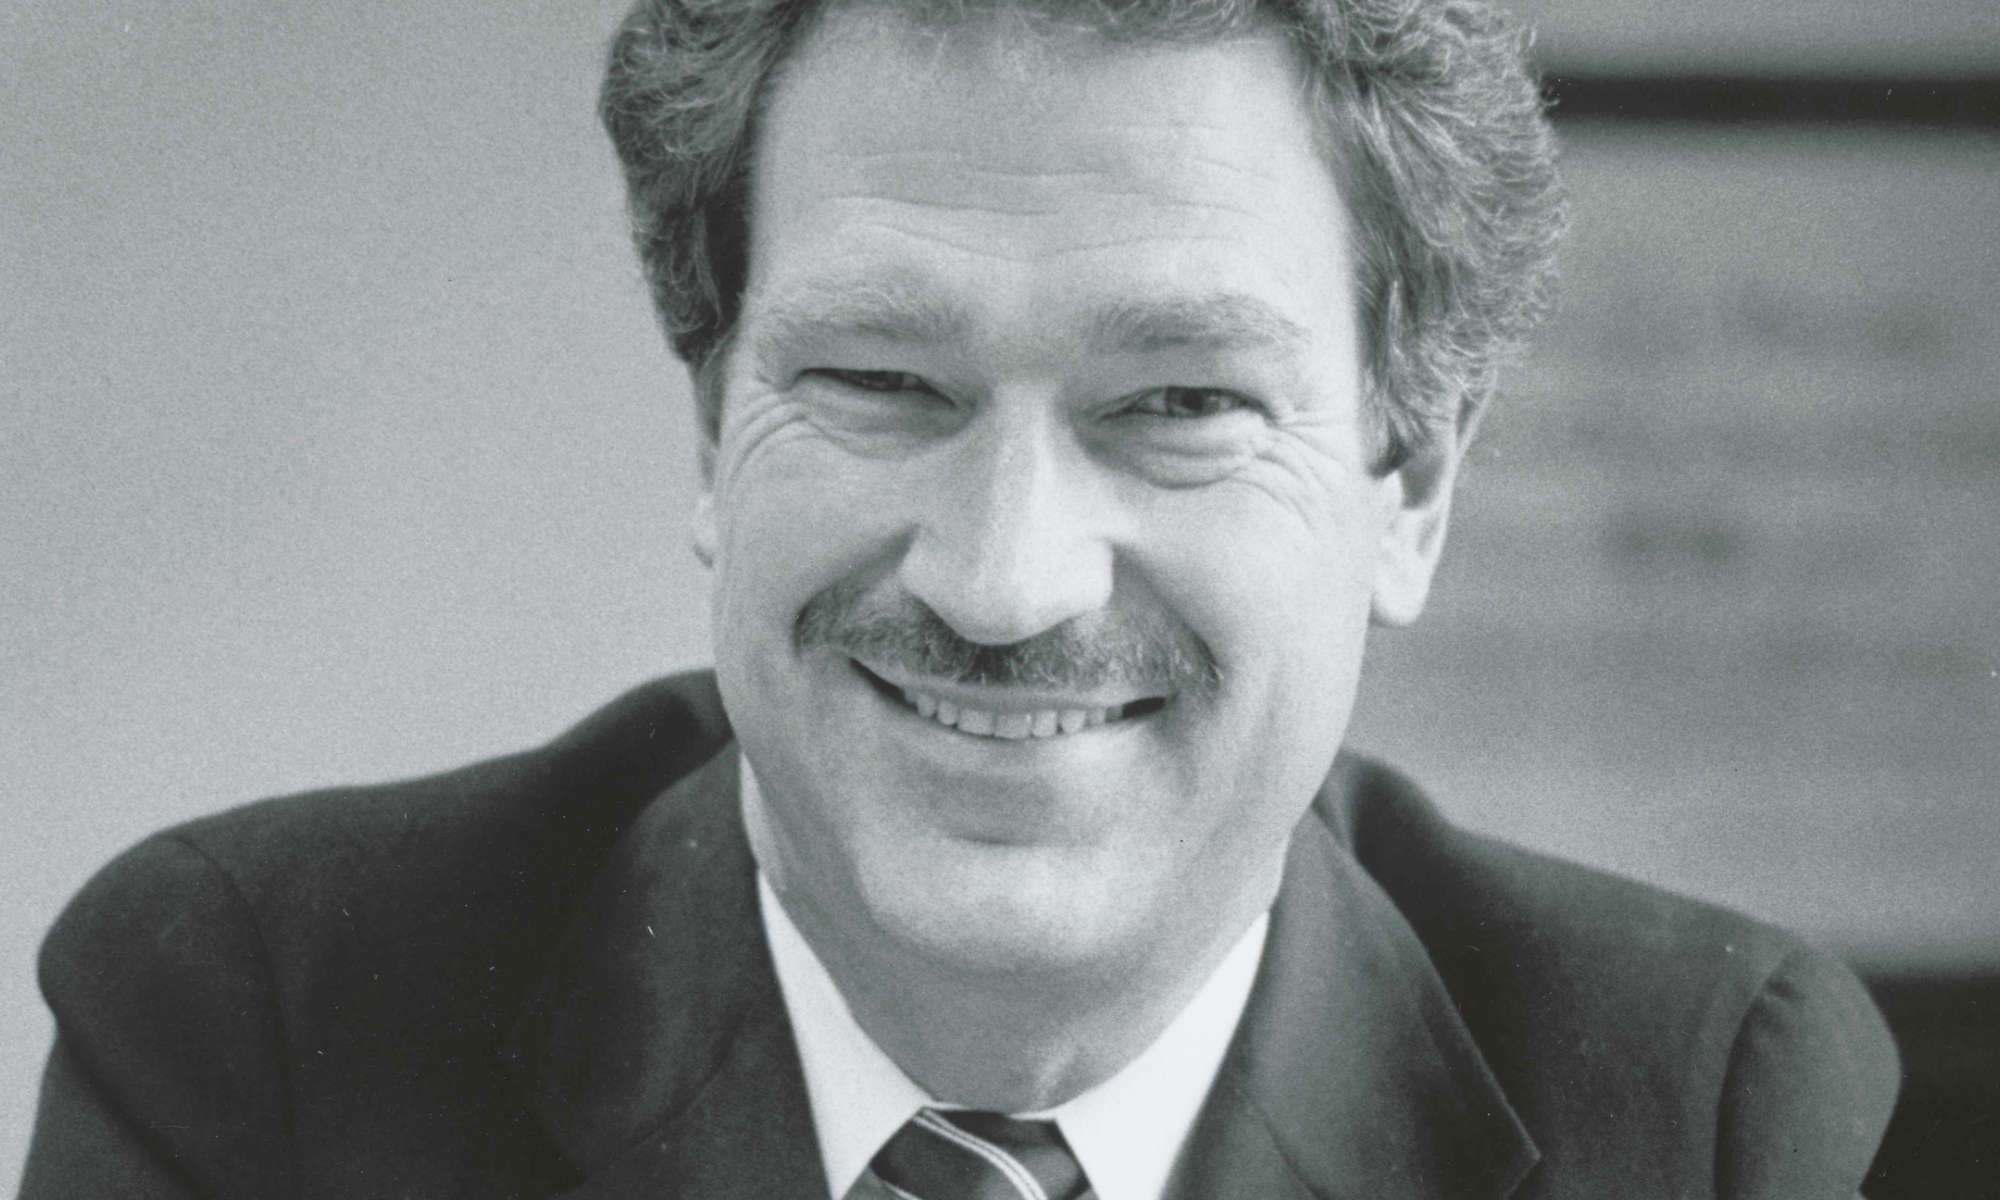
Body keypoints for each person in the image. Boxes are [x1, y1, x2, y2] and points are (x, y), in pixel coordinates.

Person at [23, 0, 1900, 1196]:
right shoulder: (256, 1025)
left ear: (1407, 480)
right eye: (880, 384)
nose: (1004, 581)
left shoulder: (1703, 1109)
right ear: (712, 422)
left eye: (1176, 403)